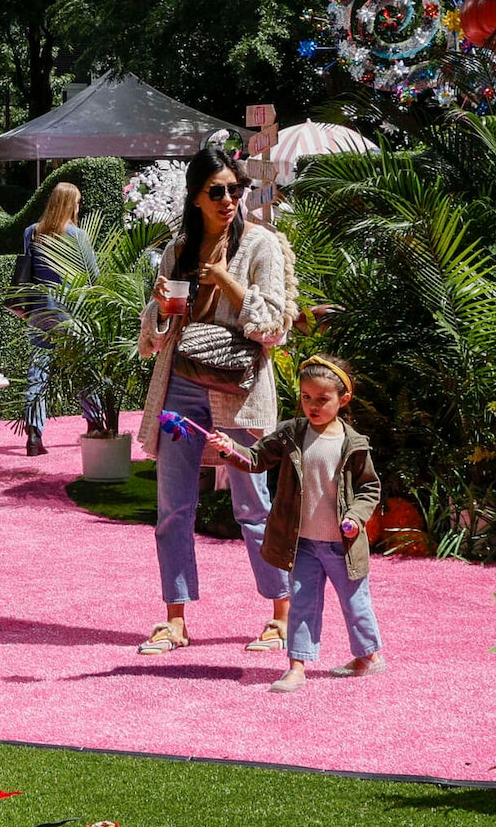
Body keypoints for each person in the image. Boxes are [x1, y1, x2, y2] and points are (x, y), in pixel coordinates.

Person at [133, 146, 296, 656]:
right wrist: (160, 310)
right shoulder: (179, 247)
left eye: (235, 189)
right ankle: (175, 619)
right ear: (196, 196)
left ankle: (281, 615)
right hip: (181, 383)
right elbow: (152, 338)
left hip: (239, 392)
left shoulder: (262, 246)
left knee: (253, 504)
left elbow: (272, 326)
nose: (229, 200)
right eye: (217, 191)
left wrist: (224, 278)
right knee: (173, 506)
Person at [201, 356, 385, 691]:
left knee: (355, 605)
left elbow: (369, 488)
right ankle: (296, 666)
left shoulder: (353, 443)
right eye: (306, 397)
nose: (313, 405)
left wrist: (355, 517)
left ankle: (367, 656)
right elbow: (256, 460)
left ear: (343, 400)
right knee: (301, 604)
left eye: (322, 399)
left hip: (343, 545)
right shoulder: (291, 434)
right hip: (302, 544)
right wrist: (230, 449)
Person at [11, 182, 99, 459]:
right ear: (70, 203)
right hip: (71, 313)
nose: (79, 207)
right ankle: (96, 423)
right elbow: (92, 275)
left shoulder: (32, 233)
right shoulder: (78, 236)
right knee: (85, 369)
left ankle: (34, 435)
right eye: (77, 202)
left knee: (38, 371)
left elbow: (26, 271)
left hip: (40, 311)